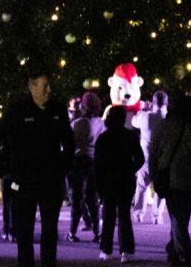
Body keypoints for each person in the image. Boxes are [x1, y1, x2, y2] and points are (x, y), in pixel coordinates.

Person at [4, 66, 75, 267]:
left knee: (49, 231)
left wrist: (64, 166)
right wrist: (6, 168)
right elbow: (2, 138)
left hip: (50, 180)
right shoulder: (18, 110)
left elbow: (68, 140)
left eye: (49, 85)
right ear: (32, 86)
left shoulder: (57, 108)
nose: (48, 90)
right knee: (24, 232)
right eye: (44, 86)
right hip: (25, 181)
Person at [151, 91, 191, 267]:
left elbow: (153, 153)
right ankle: (178, 253)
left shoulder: (164, 125)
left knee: (178, 220)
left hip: (168, 177)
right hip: (188, 179)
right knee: (181, 219)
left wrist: (155, 175)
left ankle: (182, 255)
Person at [95, 105, 145, 262]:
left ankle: (106, 250)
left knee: (108, 216)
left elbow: (97, 165)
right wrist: (130, 169)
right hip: (125, 180)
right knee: (124, 217)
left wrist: (99, 186)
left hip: (109, 181)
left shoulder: (103, 138)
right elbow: (140, 158)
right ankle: (127, 251)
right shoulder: (130, 136)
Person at [68, 91, 104, 242]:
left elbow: (69, 142)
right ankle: (97, 232)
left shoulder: (78, 122)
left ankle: (72, 232)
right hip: (93, 162)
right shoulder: (101, 123)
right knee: (92, 200)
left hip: (78, 162)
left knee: (77, 199)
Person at [133, 90, 169, 224]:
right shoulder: (169, 120)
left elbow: (133, 121)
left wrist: (144, 109)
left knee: (141, 187)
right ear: (167, 103)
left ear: (153, 102)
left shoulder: (145, 116)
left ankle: (138, 215)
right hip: (162, 159)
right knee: (160, 189)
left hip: (145, 157)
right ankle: (156, 217)